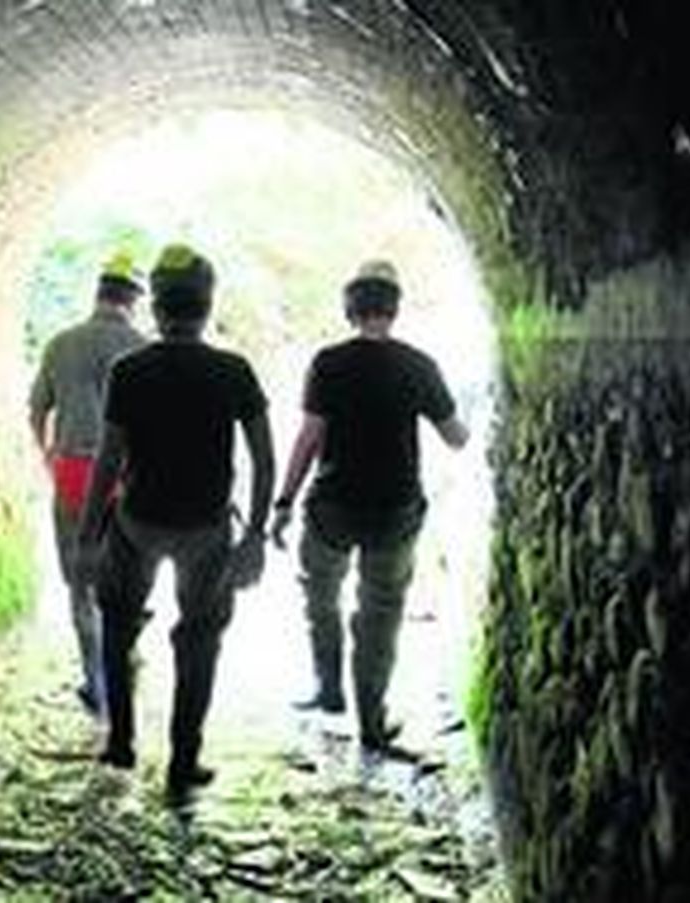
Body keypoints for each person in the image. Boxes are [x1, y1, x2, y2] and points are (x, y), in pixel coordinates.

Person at [77, 244, 275, 803]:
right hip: (205, 529)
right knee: (200, 640)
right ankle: (183, 762)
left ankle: (121, 741)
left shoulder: (129, 370)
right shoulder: (233, 371)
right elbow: (264, 459)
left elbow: (108, 460)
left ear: (157, 307)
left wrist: (87, 538)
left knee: (118, 625)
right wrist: (255, 536)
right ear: (207, 305)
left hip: (137, 521)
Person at [270, 260, 469, 751]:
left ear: (351, 307)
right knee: (380, 614)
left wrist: (284, 501)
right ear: (393, 308)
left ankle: (328, 687)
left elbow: (309, 437)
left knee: (321, 597)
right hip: (395, 510)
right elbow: (456, 438)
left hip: (332, 507)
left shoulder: (328, 362)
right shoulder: (419, 365)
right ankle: (371, 722)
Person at [28, 253, 149, 714]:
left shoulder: (61, 344)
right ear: (133, 301)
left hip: (74, 473)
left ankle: (94, 680)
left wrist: (47, 455)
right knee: (126, 580)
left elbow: (37, 410)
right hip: (126, 479)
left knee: (81, 584)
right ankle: (123, 662)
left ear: (98, 294)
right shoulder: (142, 347)